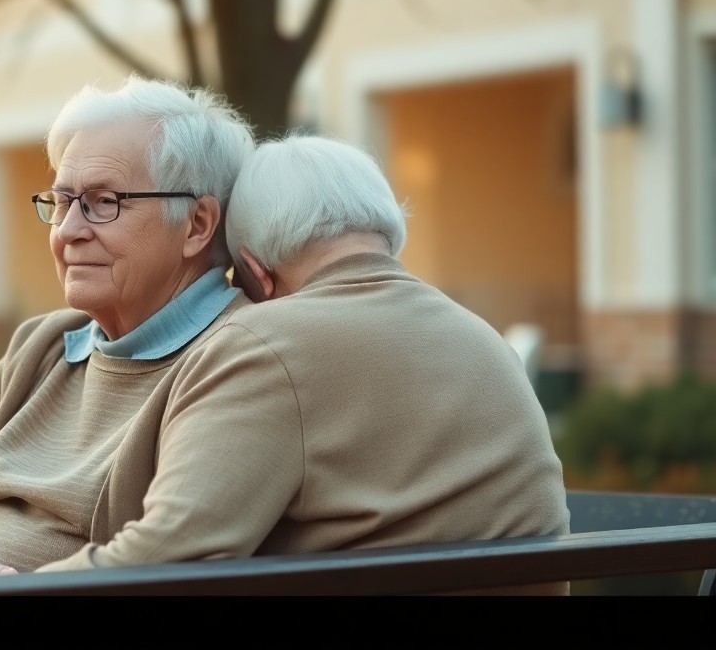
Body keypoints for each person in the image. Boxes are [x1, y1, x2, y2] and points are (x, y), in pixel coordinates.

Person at [0, 73, 271, 596]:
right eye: (62, 201)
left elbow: (165, 565)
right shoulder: (46, 345)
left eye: (103, 201)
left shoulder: (237, 358)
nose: (68, 231)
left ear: (196, 224)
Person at [223, 130, 572, 595]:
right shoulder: (484, 335)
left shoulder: (266, 341)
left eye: (236, 278)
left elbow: (177, 551)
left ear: (258, 272)